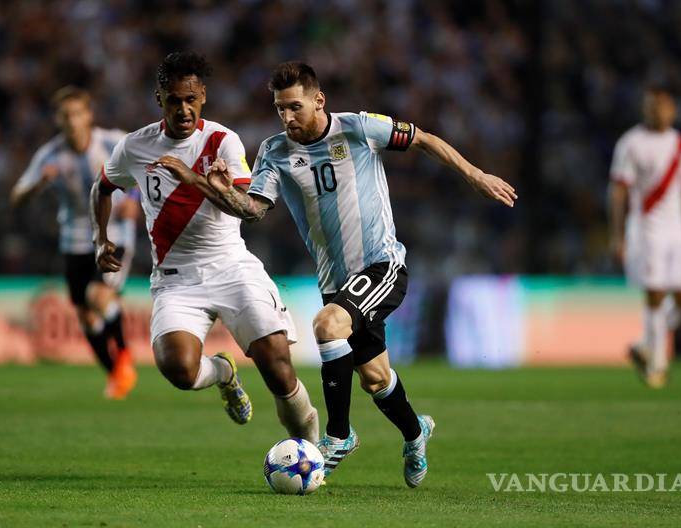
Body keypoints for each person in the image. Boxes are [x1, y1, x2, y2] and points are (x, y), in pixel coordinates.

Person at [199, 61, 517, 487]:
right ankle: (415, 433)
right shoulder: (274, 151)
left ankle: (338, 435)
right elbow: (254, 210)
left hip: (382, 265)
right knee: (375, 378)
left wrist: (475, 176)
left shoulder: (359, 128)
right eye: (280, 109)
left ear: (319, 100)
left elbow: (424, 139)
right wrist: (222, 192)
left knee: (327, 326)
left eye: (295, 107)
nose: (287, 117)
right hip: (336, 281)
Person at [90, 52, 319, 442]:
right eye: (174, 100)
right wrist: (100, 239)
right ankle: (224, 372)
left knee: (277, 364)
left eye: (191, 99)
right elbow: (102, 187)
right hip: (176, 279)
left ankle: (311, 454)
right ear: (159, 98)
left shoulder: (221, 141)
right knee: (179, 370)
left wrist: (196, 180)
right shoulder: (135, 147)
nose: (183, 109)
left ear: (204, 97)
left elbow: (248, 210)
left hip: (231, 267)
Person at [11, 86, 138, 400]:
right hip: (74, 240)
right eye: (66, 115)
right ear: (58, 119)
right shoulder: (50, 155)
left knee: (98, 295)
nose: (72, 120)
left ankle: (124, 355)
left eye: (78, 113)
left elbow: (148, 167)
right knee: (85, 316)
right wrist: (39, 183)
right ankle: (116, 373)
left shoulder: (112, 142)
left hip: (114, 234)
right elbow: (16, 197)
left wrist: (134, 199)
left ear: (89, 116)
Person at [609, 84, 681, 388]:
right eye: (652, 106)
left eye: (663, 106)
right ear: (645, 109)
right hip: (646, 228)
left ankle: (645, 343)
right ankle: (656, 365)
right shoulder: (631, 143)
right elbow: (618, 191)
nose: (658, 111)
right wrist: (618, 235)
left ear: (673, 110)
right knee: (655, 293)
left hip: (677, 231)